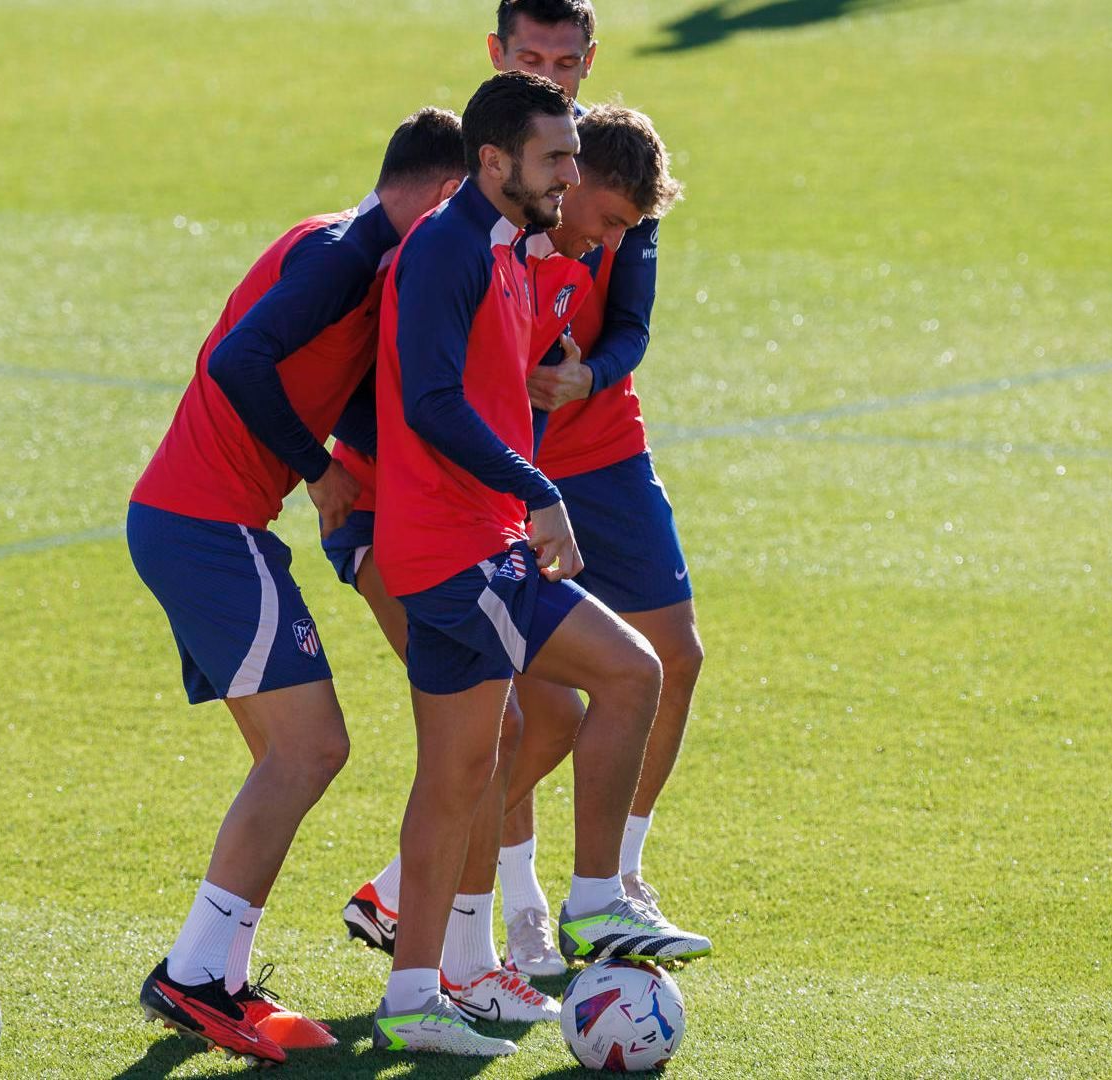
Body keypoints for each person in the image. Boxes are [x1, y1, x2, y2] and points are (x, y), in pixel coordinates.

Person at [366, 70, 704, 1059]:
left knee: (461, 774)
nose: (570, 171)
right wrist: (539, 491)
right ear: (495, 161)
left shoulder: (511, 253)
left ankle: (422, 992)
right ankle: (599, 901)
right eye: (557, 157)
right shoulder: (451, 251)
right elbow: (431, 402)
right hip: (459, 548)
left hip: (463, 543)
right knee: (632, 670)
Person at [126, 107, 465, 1066]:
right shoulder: (343, 256)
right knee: (311, 750)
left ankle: (213, 975)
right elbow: (237, 362)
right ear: (441, 194)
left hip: (194, 524)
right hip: (208, 530)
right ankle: (194, 977)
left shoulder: (355, 256)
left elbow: (345, 386)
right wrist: (316, 471)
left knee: (289, 754)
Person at [490, 0, 713, 976]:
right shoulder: (489, 177)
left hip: (606, 456)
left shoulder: (618, 170)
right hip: (512, 469)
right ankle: (524, 904)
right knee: (529, 699)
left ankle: (618, 878)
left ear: (589, 61)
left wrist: (589, 373)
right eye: (531, 56)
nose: (552, 72)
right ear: (499, 57)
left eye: (565, 58)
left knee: (675, 656)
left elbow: (631, 322)